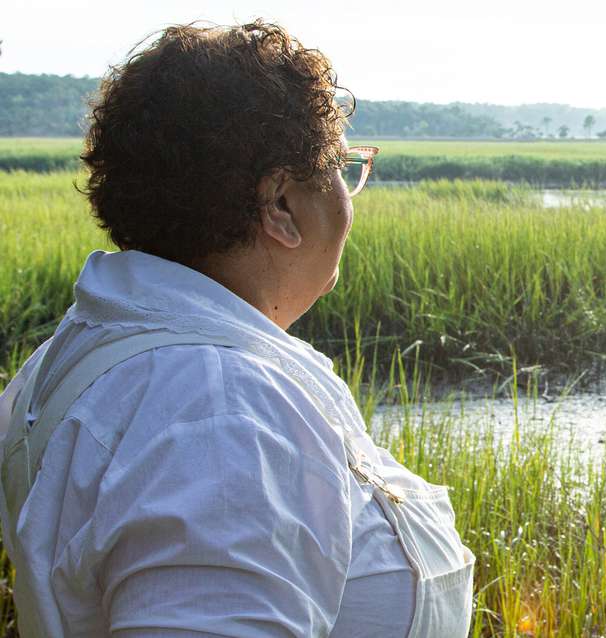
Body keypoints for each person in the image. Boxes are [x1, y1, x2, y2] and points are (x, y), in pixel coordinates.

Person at [0, 21, 474, 636]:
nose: (349, 194)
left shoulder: (93, 353)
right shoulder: (219, 407)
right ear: (279, 205)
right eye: (340, 166)